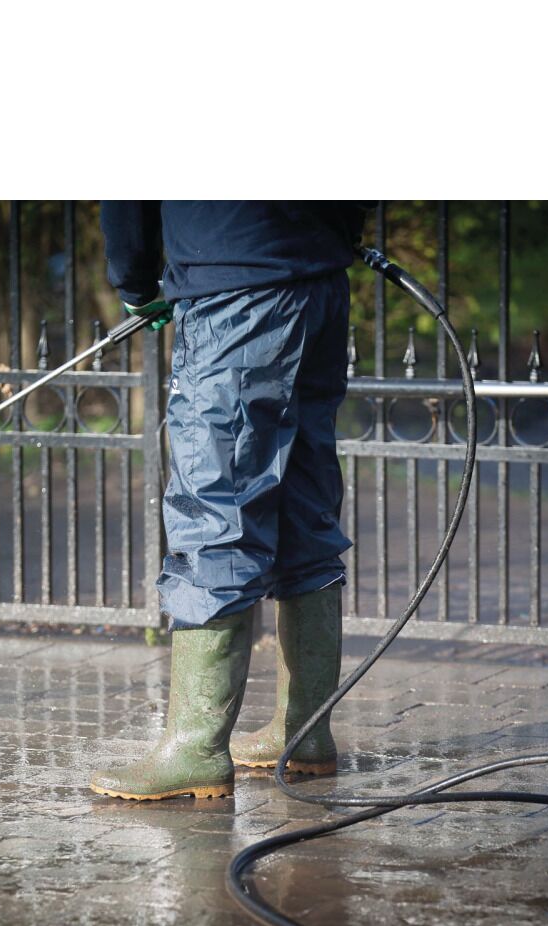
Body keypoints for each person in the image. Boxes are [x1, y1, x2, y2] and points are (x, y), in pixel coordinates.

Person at [90, 201, 369, 802]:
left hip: (235, 291)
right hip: (319, 283)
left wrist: (137, 281)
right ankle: (306, 733)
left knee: (214, 509)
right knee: (304, 507)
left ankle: (195, 748)